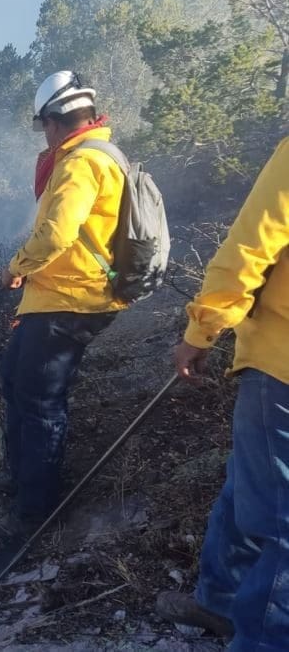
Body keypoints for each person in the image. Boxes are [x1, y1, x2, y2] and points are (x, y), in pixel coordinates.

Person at [155, 137, 289, 649]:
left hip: (280, 365)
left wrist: (200, 332)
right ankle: (219, 602)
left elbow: (250, 247)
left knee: (280, 523)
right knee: (248, 489)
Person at [0, 70, 127, 538]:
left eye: (42, 125)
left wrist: (16, 267)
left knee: (41, 401)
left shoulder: (81, 162)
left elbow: (56, 234)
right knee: (14, 378)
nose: (42, 135)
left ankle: (38, 511)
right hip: (56, 295)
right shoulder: (89, 156)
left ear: (54, 120)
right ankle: (23, 473)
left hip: (69, 300)